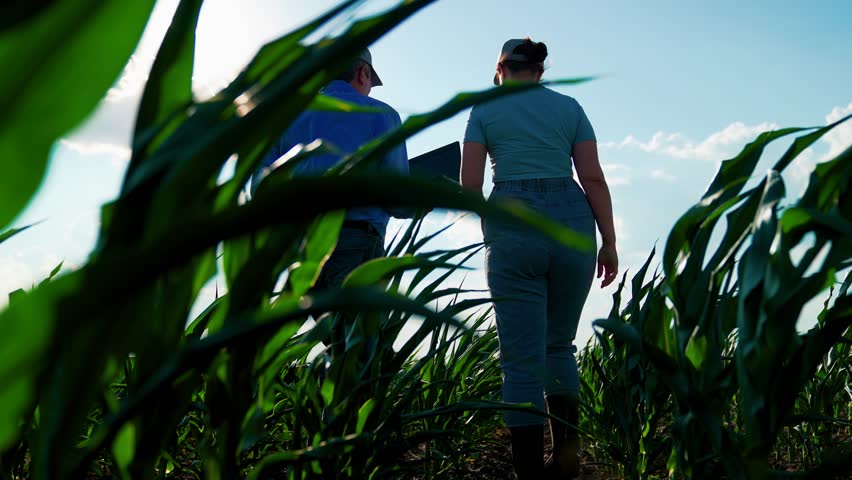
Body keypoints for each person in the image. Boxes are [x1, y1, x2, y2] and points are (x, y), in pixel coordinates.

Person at [460, 38, 618, 479]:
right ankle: (565, 461)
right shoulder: (570, 108)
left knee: (521, 357)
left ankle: (528, 471)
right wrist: (609, 241)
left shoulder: (484, 111)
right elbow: (592, 177)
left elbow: (470, 185)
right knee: (559, 345)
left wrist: (493, 227)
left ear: (500, 69)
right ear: (541, 70)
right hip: (573, 220)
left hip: (512, 221)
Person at [253, 48, 413, 345]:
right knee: (360, 353)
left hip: (300, 251)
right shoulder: (381, 115)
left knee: (333, 343)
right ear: (362, 72)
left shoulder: (288, 116)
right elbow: (397, 198)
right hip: (356, 244)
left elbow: (260, 187)